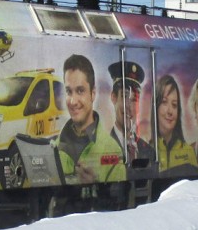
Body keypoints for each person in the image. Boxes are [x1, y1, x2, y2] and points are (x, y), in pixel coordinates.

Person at [57, 54, 126, 184]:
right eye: (69, 91)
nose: (73, 101)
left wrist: (95, 186)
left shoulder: (112, 150)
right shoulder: (55, 147)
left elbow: (118, 194)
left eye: (80, 91)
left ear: (93, 94)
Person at [108, 59, 155, 169]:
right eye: (125, 96)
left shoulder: (149, 151)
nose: (129, 106)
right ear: (113, 97)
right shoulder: (103, 147)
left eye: (134, 99)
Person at [154, 74, 198, 176]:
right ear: (155, 106)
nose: (170, 111)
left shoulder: (188, 152)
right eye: (164, 102)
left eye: (174, 105)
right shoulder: (146, 150)